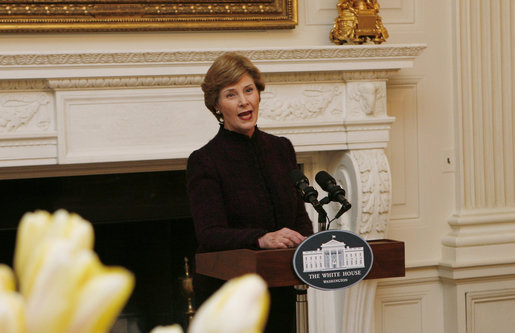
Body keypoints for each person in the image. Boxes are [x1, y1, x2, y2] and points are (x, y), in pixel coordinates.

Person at [186, 52, 314, 332]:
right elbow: (209, 233)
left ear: (258, 94)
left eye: (249, 90)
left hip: (278, 288)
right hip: (229, 296)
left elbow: (298, 215)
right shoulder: (204, 160)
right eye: (231, 95)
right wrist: (262, 239)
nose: (244, 101)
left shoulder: (281, 148)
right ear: (217, 106)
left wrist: (305, 241)